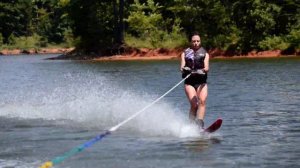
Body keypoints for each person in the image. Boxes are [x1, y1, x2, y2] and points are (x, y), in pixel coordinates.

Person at [180, 32, 209, 129]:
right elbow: (181, 67)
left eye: (198, 41)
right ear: (190, 42)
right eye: (194, 41)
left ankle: (199, 125)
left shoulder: (205, 53)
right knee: (194, 104)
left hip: (201, 82)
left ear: (200, 42)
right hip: (190, 83)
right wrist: (185, 69)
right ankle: (191, 125)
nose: (196, 43)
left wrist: (203, 70)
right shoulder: (185, 53)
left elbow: (207, 68)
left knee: (202, 101)